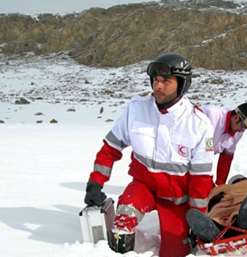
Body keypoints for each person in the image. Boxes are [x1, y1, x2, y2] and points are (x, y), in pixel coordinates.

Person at [83, 53, 215, 257]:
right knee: (122, 223)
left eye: (166, 81)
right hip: (143, 187)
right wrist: (95, 183)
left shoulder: (199, 124)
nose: (158, 86)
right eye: (156, 80)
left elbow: (201, 180)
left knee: (174, 252)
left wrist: (197, 218)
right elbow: (110, 149)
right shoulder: (136, 109)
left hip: (177, 200)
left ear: (182, 84)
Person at [186, 175, 247, 243]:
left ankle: (214, 228)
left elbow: (211, 199)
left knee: (219, 216)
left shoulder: (222, 188)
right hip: (243, 205)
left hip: (223, 211)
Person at [201, 103, 247, 185]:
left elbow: (226, 158)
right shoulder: (212, 117)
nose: (242, 131)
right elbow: (205, 153)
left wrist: (220, 184)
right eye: (243, 127)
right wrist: (206, 181)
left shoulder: (237, 131)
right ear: (236, 118)